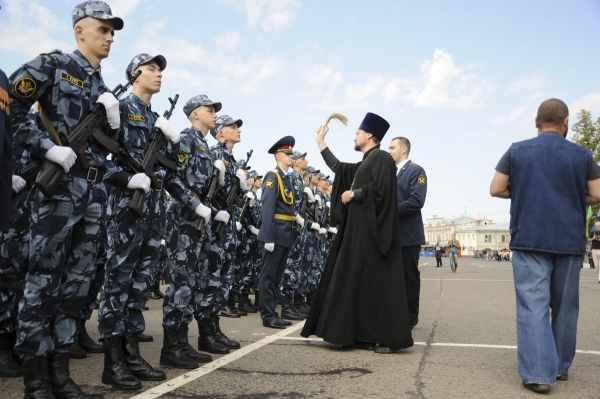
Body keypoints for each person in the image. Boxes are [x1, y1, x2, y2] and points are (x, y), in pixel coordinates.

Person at [8, 2, 124, 397]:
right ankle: (36, 380)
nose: (110, 37)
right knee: (43, 281)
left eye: (113, 31)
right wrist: (44, 146)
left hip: (93, 192)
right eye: (103, 29)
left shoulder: (103, 88)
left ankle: (61, 373)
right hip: (57, 189)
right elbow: (12, 105)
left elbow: (112, 149)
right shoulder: (53, 64)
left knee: (76, 286)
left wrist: (113, 122)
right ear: (80, 30)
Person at [490, 98, 600, 393]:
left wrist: (524, 190)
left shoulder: (517, 150)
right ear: (566, 123)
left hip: (530, 237)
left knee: (533, 305)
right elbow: (596, 193)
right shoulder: (583, 155)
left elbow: (496, 188)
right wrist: (574, 198)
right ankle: (561, 367)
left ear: (536, 122)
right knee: (565, 307)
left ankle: (539, 374)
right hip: (568, 238)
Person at [301, 112, 414, 354]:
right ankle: (360, 334)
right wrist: (321, 142)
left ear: (369, 135)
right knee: (360, 284)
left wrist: (353, 194)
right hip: (358, 234)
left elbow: (382, 189)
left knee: (376, 284)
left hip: (372, 236)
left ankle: (385, 337)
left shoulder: (381, 157)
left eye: (358, 133)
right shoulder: (365, 162)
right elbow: (339, 168)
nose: (355, 136)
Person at [161, 94, 225, 368]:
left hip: (200, 218)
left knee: (193, 280)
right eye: (209, 110)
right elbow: (171, 178)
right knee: (180, 280)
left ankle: (182, 342)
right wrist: (195, 204)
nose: (214, 114)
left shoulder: (206, 146)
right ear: (195, 114)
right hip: (185, 218)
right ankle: (171, 347)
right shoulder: (186, 138)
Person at [257, 136, 297, 329]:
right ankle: (268, 315)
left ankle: (273, 312)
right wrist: (269, 236)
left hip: (285, 234)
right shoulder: (273, 176)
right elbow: (268, 207)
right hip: (275, 234)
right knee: (269, 276)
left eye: (291, 153)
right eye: (288, 153)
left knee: (277, 277)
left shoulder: (286, 178)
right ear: (278, 155)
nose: (291, 156)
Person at [388, 137, 427, 329]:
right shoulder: (390, 172)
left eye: (392, 147)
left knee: (409, 276)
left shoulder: (415, 170)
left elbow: (416, 201)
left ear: (404, 149)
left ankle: (411, 317)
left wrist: (389, 209)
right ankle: (395, 313)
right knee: (392, 277)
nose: (389, 151)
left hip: (408, 235)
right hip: (391, 234)